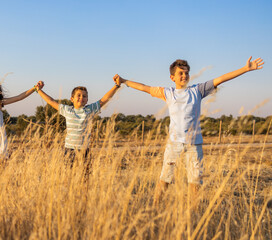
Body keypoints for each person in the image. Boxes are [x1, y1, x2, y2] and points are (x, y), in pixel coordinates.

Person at [113, 56, 264, 204]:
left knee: (195, 181)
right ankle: (155, 207)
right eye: (181, 73)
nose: (184, 75)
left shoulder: (197, 90)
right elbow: (144, 87)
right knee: (165, 178)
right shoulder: (168, 93)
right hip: (174, 144)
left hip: (194, 144)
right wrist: (125, 81)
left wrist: (245, 69)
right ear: (172, 77)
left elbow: (221, 78)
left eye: (186, 72)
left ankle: (194, 211)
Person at [35, 79, 121, 176]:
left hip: (84, 150)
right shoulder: (67, 110)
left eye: (84, 96)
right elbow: (51, 101)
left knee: (85, 177)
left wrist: (116, 86)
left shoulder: (90, 110)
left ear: (87, 100)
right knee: (70, 176)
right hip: (69, 150)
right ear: (72, 99)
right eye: (78, 95)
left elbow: (104, 99)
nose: (81, 98)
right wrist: (39, 90)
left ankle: (84, 191)